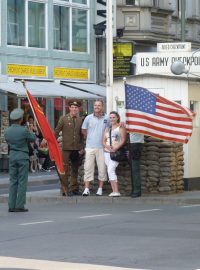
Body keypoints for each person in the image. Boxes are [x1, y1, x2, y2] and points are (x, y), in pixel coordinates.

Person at [5, 108, 36, 212]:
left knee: (13, 181)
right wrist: (30, 129)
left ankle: (11, 205)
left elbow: (8, 140)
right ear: (21, 119)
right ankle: (19, 205)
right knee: (22, 181)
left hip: (12, 156)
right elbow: (33, 138)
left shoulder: (7, 130)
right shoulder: (23, 130)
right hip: (22, 156)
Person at [55, 99, 84, 196]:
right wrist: (51, 141)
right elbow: (56, 130)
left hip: (76, 148)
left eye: (76, 107)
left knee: (75, 169)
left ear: (78, 109)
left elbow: (81, 135)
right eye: (72, 107)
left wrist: (82, 147)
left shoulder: (80, 120)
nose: (74, 109)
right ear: (69, 108)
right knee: (65, 169)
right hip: (66, 148)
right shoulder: (63, 118)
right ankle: (65, 189)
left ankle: (74, 188)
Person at [82, 100, 109, 196]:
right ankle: (86, 189)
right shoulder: (88, 118)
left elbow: (111, 129)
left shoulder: (107, 118)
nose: (97, 107)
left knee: (102, 168)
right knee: (88, 168)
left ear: (102, 106)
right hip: (89, 147)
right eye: (95, 105)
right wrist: (90, 137)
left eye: (99, 105)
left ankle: (100, 188)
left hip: (102, 147)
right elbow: (83, 129)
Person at [102, 111, 127, 197]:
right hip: (107, 152)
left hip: (116, 152)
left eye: (113, 117)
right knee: (110, 171)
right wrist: (107, 147)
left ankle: (116, 191)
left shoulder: (121, 127)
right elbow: (103, 140)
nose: (112, 119)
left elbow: (123, 140)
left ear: (117, 118)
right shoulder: (107, 128)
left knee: (110, 170)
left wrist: (116, 148)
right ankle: (114, 191)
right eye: (110, 117)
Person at [129, 133, 144, 198]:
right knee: (133, 168)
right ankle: (135, 190)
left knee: (135, 169)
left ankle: (136, 191)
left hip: (136, 143)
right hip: (133, 143)